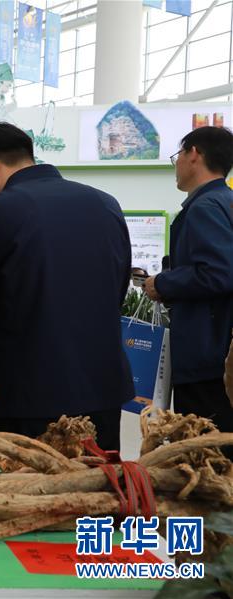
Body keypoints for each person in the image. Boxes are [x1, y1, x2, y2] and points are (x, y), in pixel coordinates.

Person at [0, 122, 134, 450]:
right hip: (103, 387)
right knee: (102, 489)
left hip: (26, 396)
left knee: (35, 496)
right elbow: (119, 288)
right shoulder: (106, 204)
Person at [144, 126, 233, 432]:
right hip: (221, 354)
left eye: (178, 155)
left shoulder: (205, 207)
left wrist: (163, 284)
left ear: (194, 154)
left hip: (206, 354)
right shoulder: (226, 201)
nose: (177, 165)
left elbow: (219, 273)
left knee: (202, 454)